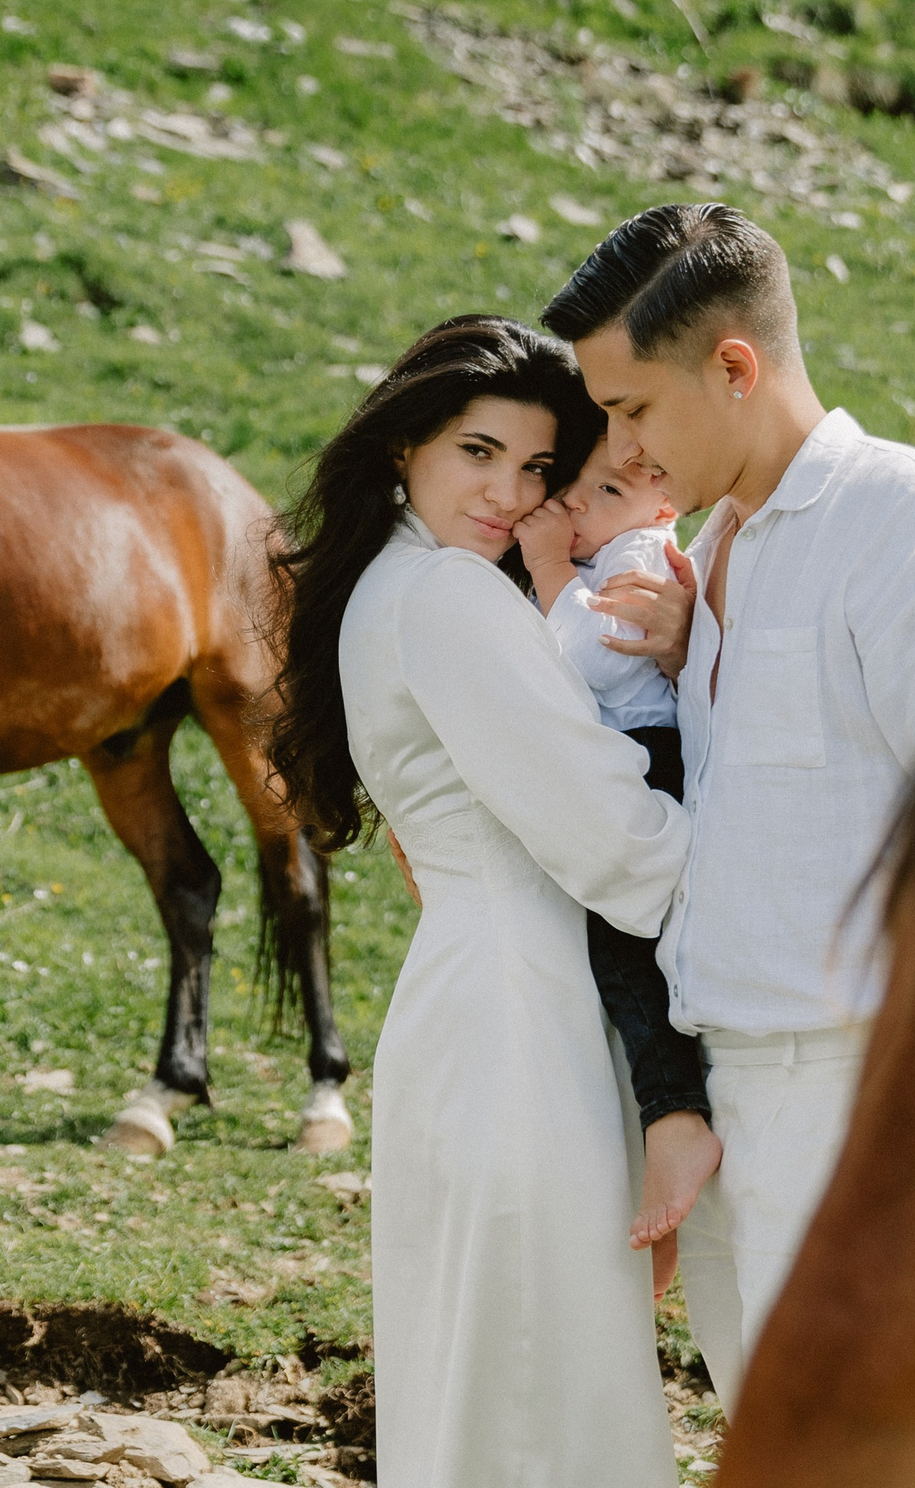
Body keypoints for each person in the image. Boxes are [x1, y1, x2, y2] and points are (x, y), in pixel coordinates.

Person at [542, 203, 915, 1408]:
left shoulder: (905, 522)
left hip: (866, 1097)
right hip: (734, 1093)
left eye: (633, 411)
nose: (621, 448)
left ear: (732, 365)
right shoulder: (707, 556)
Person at [264, 315, 689, 1488]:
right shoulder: (446, 594)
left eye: (540, 468)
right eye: (478, 452)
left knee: (498, 1387)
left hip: (486, 1006)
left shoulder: (393, 584)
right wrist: (775, 875)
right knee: (540, 1390)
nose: (510, 493)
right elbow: (612, 835)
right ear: (405, 445)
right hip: (518, 1027)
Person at [512, 435, 722, 1285]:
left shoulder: (637, 553)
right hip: (628, 754)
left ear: (662, 503)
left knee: (624, 950)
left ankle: (676, 1115)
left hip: (646, 756)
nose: (578, 507)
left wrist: (547, 566)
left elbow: (596, 650)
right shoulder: (619, 544)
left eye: (604, 489)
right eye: (575, 487)